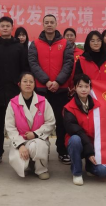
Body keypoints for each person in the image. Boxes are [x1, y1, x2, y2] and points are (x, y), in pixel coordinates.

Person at [0, 17, 29, 167]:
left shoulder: (19, 48)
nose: (4, 28)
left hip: (15, 92)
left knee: (19, 124)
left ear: (12, 28)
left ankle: (21, 151)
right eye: (2, 26)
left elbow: (25, 70)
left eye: (7, 26)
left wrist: (24, 88)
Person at [29, 15, 74, 165]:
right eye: (46, 22)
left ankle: (62, 150)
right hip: (42, 90)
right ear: (42, 24)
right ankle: (42, 150)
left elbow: (68, 63)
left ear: (56, 24)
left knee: (61, 122)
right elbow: (33, 64)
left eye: (51, 22)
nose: (49, 25)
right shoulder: (35, 43)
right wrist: (46, 81)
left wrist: (58, 82)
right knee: (40, 122)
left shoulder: (65, 43)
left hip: (60, 90)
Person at [5, 72, 56, 180]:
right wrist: (20, 145)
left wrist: (35, 134)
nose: (28, 84)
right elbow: (10, 127)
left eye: (31, 82)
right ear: (19, 84)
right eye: (25, 81)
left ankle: (41, 168)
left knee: (37, 146)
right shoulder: (13, 103)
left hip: (39, 140)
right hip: (21, 140)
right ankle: (29, 165)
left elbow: (50, 122)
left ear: (34, 84)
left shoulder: (43, 101)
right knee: (20, 164)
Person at [64, 74, 106, 186]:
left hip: (93, 145)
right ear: (75, 88)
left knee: (103, 171)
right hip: (79, 143)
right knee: (75, 139)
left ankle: (90, 166)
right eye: (80, 86)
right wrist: (89, 151)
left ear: (90, 88)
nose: (83, 89)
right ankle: (77, 172)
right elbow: (76, 131)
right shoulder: (69, 108)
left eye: (86, 86)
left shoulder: (98, 105)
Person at [64, 28, 85, 92]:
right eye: (67, 35)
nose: (69, 37)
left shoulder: (81, 53)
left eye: (71, 35)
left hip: (77, 85)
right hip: (62, 85)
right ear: (63, 37)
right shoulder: (59, 52)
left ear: (75, 37)